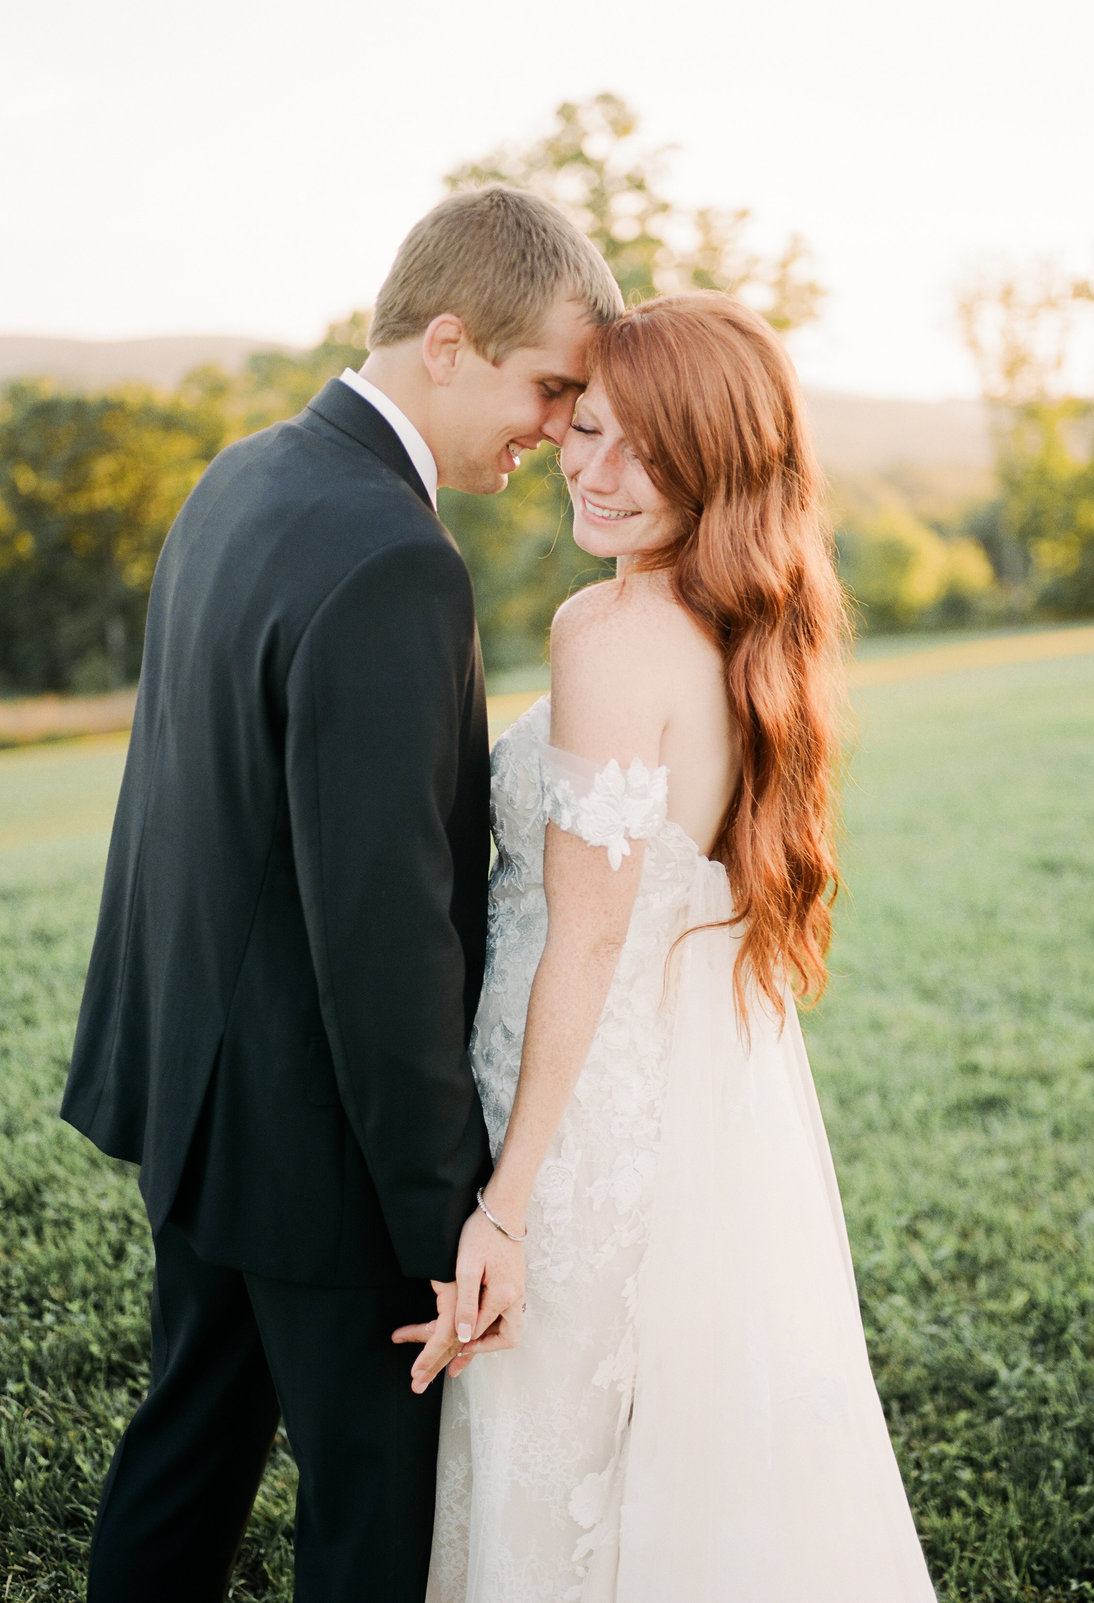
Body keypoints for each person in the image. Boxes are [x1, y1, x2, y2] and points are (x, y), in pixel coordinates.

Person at [60, 185, 623, 1602]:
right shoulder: (394, 558)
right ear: (450, 340)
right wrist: (444, 1215)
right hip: (320, 1166)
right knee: (370, 1521)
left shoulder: (240, 475)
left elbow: (185, 814)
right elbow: (384, 941)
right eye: (548, 385)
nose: (556, 428)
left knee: (182, 1453)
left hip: (194, 1112)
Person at [398, 292, 939, 1600]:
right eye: (585, 427)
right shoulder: (756, 628)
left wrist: (505, 1209)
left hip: (581, 1122)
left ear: (717, 466)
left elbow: (582, 952)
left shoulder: (611, 630)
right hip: (696, 1106)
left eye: (647, 450)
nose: (594, 470)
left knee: (553, 1466)